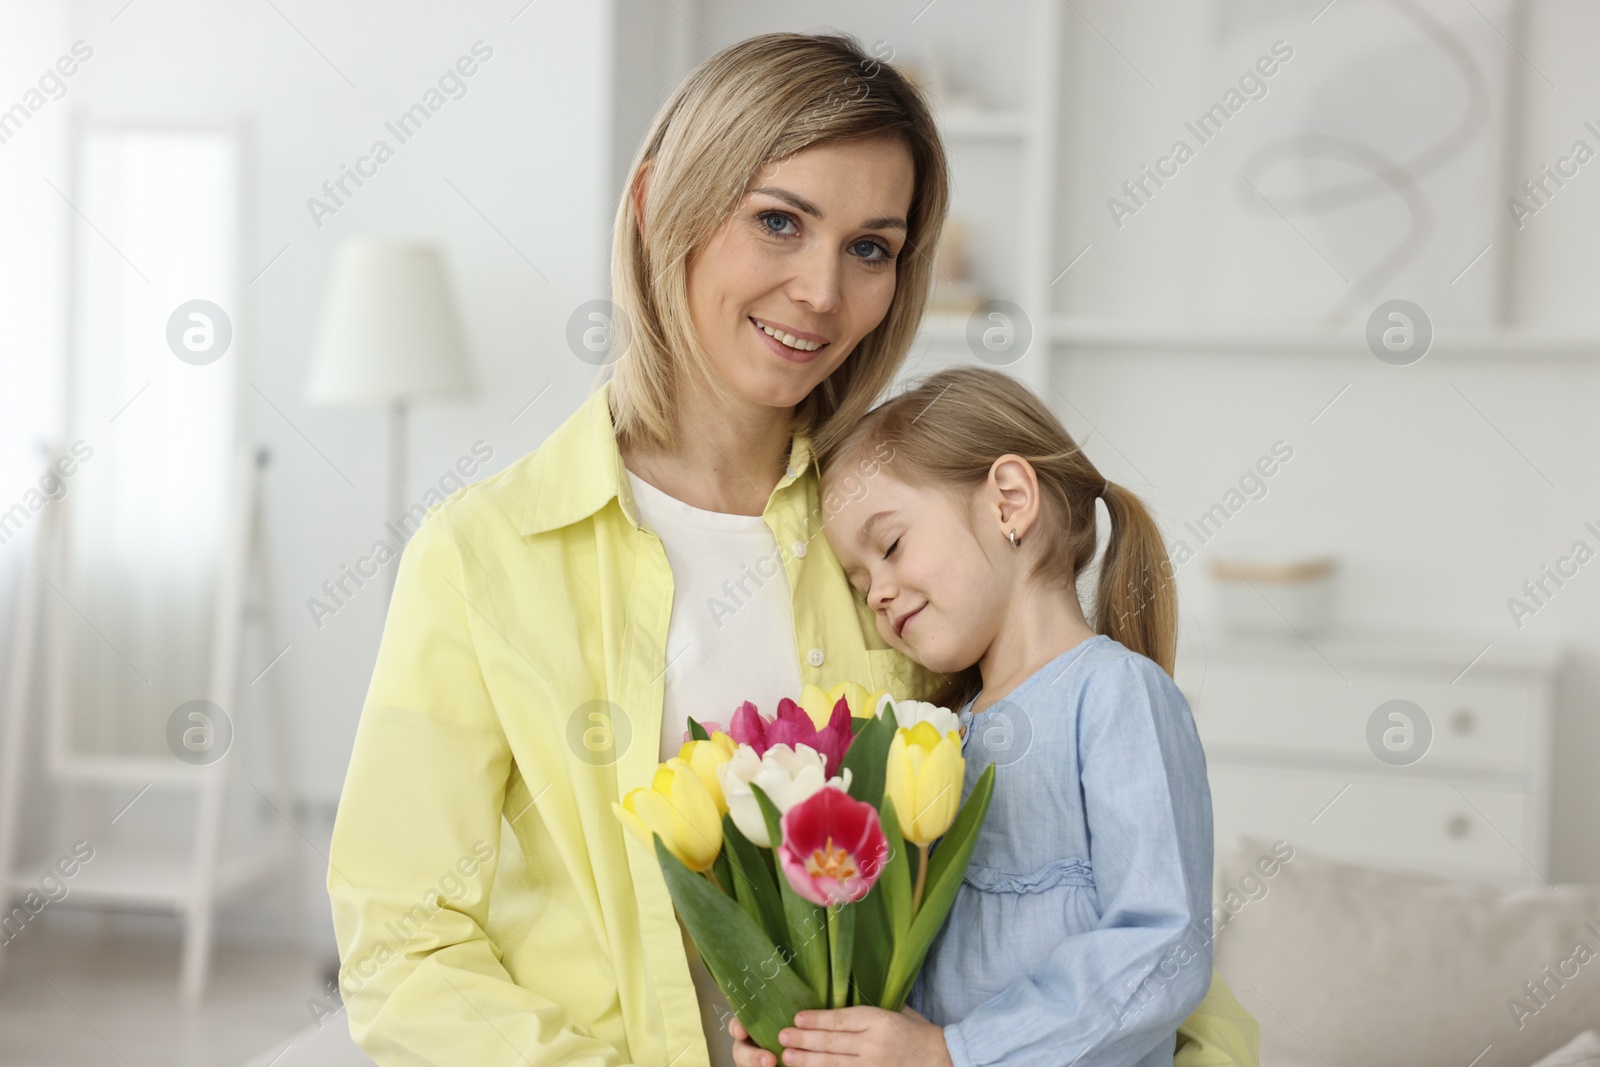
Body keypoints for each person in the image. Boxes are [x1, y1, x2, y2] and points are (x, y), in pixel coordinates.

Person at [326, 30, 1258, 1067]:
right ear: (653, 208)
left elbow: (1116, 903)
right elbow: (403, 939)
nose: (822, 290)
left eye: (870, 247)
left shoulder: (908, 547)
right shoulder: (483, 554)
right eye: (779, 221)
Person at [729, 366, 1260, 1067]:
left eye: (889, 547)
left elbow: (1162, 946)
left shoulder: (1115, 696)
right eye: (859, 587)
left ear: (1010, 500)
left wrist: (957, 1051)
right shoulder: (940, 736)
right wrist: (811, 1031)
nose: (879, 595)